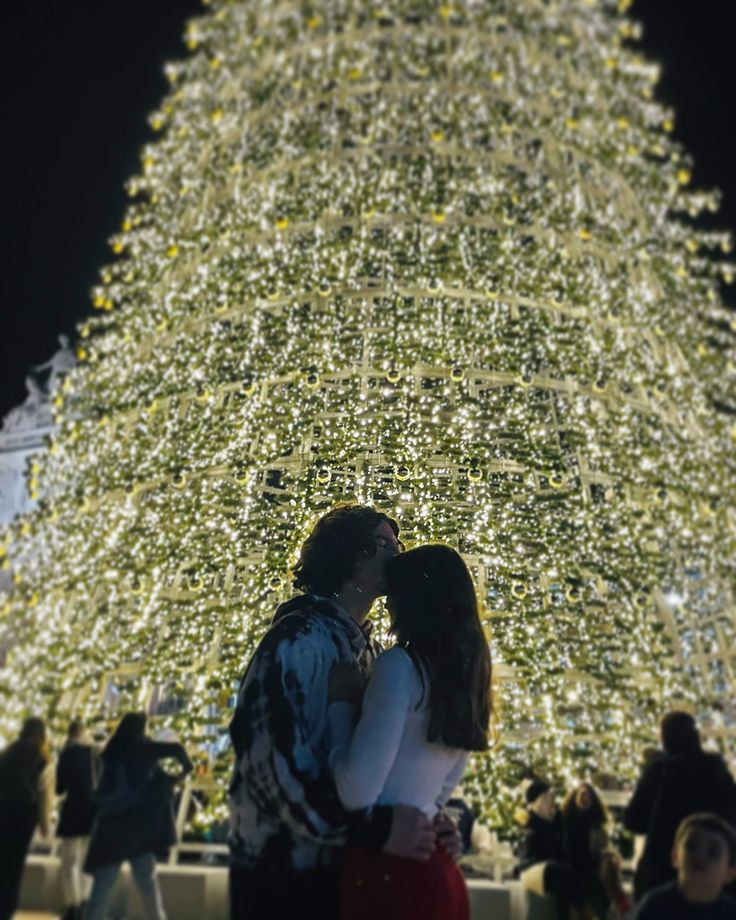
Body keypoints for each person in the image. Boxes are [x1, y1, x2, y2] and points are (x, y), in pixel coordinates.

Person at [228, 505, 447, 920]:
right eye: (383, 545)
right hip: (281, 879)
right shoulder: (297, 641)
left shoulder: (371, 652)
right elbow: (269, 766)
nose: (396, 556)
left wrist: (423, 821)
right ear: (349, 556)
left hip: (341, 876)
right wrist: (377, 829)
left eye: (397, 545)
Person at [327, 543, 492, 920]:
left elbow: (356, 790)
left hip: (389, 876)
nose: (387, 607)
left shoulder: (400, 667)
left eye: (393, 597)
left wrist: (339, 706)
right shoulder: (466, 680)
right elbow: (440, 793)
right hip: (437, 875)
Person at [83, 712, 193, 920]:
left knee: (103, 884)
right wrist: (184, 770)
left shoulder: (111, 751)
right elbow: (177, 749)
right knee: (147, 884)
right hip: (138, 829)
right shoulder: (145, 749)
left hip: (112, 827)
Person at [624, 710, 736, 900]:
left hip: (663, 870)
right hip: (712, 874)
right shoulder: (717, 772)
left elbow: (634, 820)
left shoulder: (659, 772)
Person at [633, 813, 736, 919]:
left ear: (729, 872)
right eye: (691, 846)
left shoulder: (731, 913)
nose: (699, 855)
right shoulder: (654, 906)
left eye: (712, 852)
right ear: (675, 856)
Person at [0, 717, 53, 920]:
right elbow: (44, 794)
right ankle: (6, 910)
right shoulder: (42, 759)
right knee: (14, 866)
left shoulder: (7, 753)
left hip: (3, 810)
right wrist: (44, 824)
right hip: (24, 816)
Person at [561, 782, 630, 918]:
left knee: (607, 865)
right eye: (582, 795)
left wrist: (608, 856)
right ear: (575, 797)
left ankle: (615, 900)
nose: (585, 799)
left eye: (589, 796)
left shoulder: (597, 824)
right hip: (573, 865)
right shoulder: (566, 821)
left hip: (594, 863)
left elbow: (601, 849)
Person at [56, 718, 101, 920]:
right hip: (92, 813)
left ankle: (72, 906)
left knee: (69, 863)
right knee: (86, 861)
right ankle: (84, 902)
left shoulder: (67, 755)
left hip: (73, 812)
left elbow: (59, 788)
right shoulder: (95, 754)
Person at [515, 779, 576, 918]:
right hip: (536, 871)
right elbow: (530, 857)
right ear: (538, 801)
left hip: (554, 872)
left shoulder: (558, 823)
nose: (553, 802)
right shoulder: (530, 826)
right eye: (549, 798)